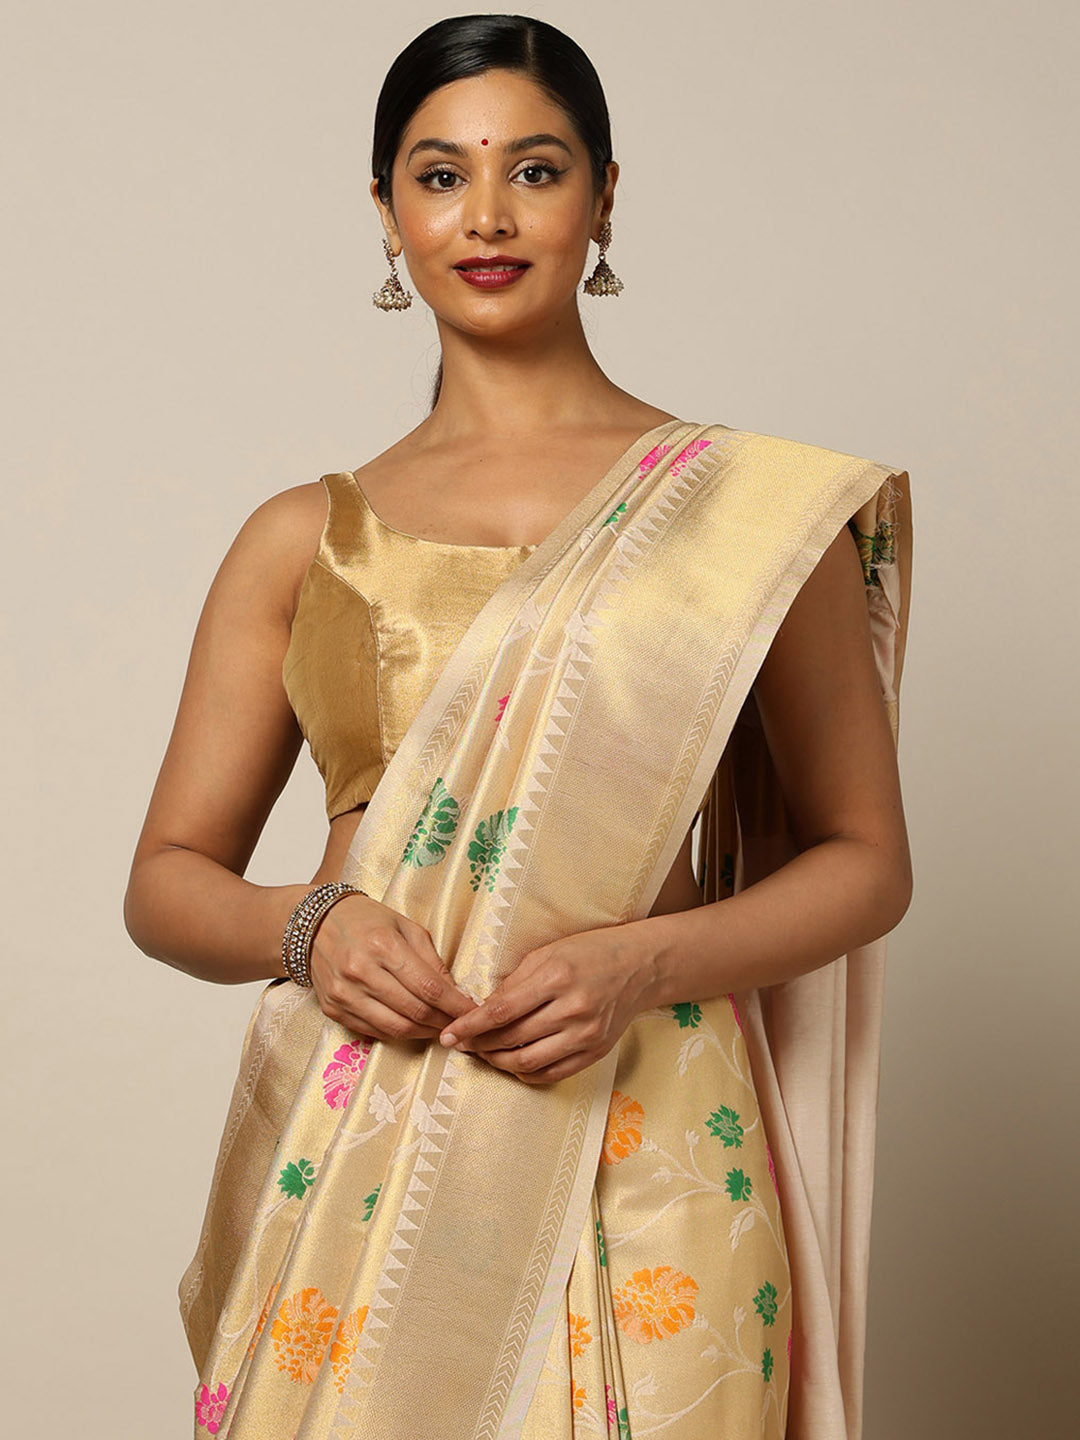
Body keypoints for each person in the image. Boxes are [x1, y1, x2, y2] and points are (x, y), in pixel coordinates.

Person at [123, 14, 912, 1439]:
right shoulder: (305, 539)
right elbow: (167, 883)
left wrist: (642, 961)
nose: (486, 215)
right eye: (440, 176)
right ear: (386, 212)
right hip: (371, 1128)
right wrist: (313, 930)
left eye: (535, 170)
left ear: (604, 197)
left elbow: (866, 861)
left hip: (657, 1132)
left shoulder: (740, 514)